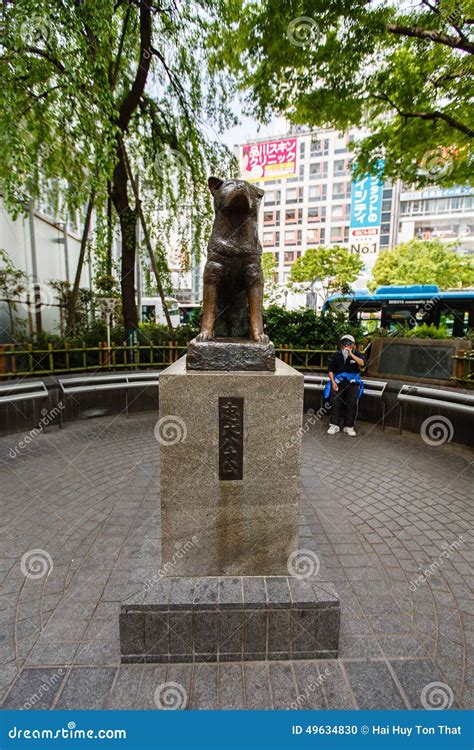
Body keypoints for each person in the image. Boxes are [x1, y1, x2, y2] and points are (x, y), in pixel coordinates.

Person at [326, 334, 366, 437]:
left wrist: (351, 355)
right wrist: (333, 382)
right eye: (344, 343)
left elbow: (362, 363)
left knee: (352, 402)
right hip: (338, 381)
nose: (346, 345)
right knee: (334, 401)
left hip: (353, 382)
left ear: (353, 345)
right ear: (341, 345)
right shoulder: (336, 355)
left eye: (349, 343)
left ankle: (349, 426)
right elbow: (330, 370)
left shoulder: (357, 354)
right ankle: (334, 424)